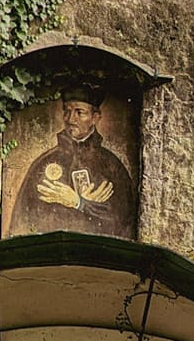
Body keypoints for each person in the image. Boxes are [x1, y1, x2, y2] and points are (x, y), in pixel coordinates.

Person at [9, 93, 137, 238]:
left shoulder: (112, 165)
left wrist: (79, 203)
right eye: (67, 111)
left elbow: (124, 220)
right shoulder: (44, 162)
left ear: (95, 118)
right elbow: (24, 219)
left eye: (79, 112)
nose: (70, 119)